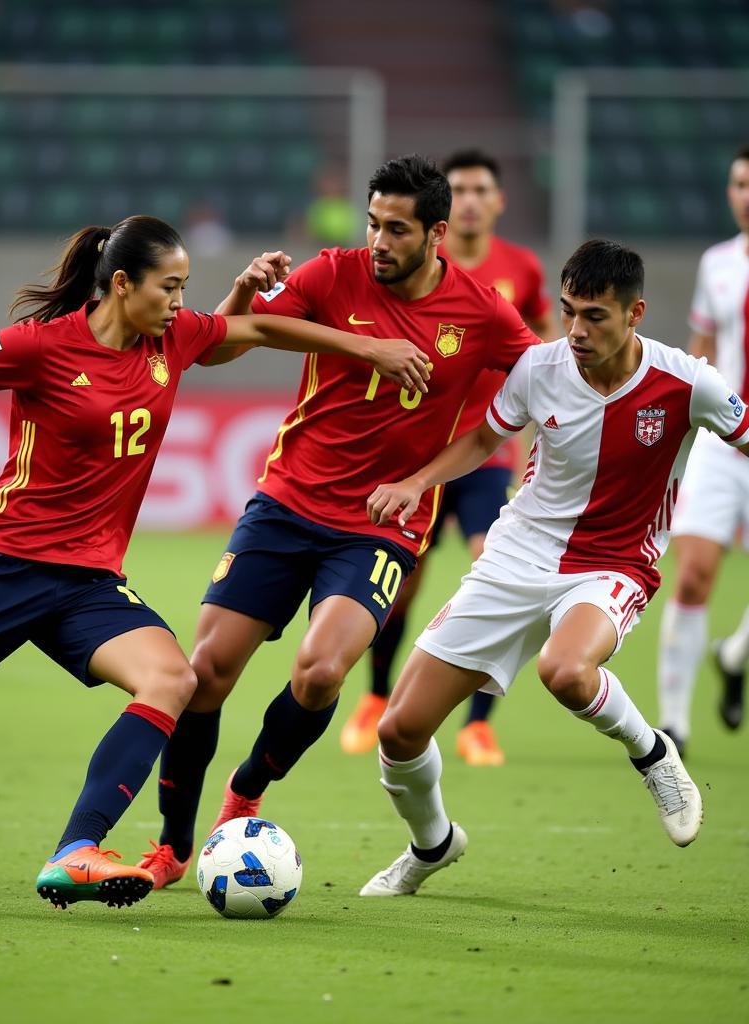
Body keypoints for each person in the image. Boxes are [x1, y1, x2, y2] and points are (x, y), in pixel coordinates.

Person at [0, 215, 428, 909]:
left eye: (186, 288)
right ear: (122, 284)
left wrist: (365, 349)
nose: (180, 303)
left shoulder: (174, 338)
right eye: (170, 287)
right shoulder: (39, 347)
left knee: (171, 679)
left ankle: (76, 850)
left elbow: (259, 332)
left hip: (87, 583)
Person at [139, 155, 542, 890]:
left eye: (397, 229)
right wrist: (247, 295)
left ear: (437, 234)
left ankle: (247, 789)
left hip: (380, 524)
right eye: (373, 224)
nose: (379, 242)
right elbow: (226, 345)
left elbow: (547, 383)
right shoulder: (331, 274)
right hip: (287, 502)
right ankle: (170, 847)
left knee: (322, 672)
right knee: (204, 676)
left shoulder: (482, 312)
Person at [359, 239, 739, 898]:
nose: (577, 330)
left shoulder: (687, 382)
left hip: (614, 564)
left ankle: (652, 753)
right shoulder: (540, 368)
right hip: (517, 554)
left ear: (635, 313)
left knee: (565, 670)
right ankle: (432, 844)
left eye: (594, 316)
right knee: (399, 729)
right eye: (568, 312)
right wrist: (419, 483)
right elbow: (484, 438)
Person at [341, 148, 555, 764]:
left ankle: (477, 723)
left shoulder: (519, 269)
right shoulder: (400, 268)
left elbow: (537, 343)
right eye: (457, 189)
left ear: (498, 201)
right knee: (402, 586)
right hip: (412, 457)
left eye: (480, 189)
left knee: (495, 571)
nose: (468, 200)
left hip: (483, 455)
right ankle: (376, 698)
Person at [657, 145, 749, 755]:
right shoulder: (717, 263)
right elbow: (702, 350)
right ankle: (674, 725)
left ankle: (733, 655)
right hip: (726, 440)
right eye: (740, 183)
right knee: (692, 576)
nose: (746, 194)